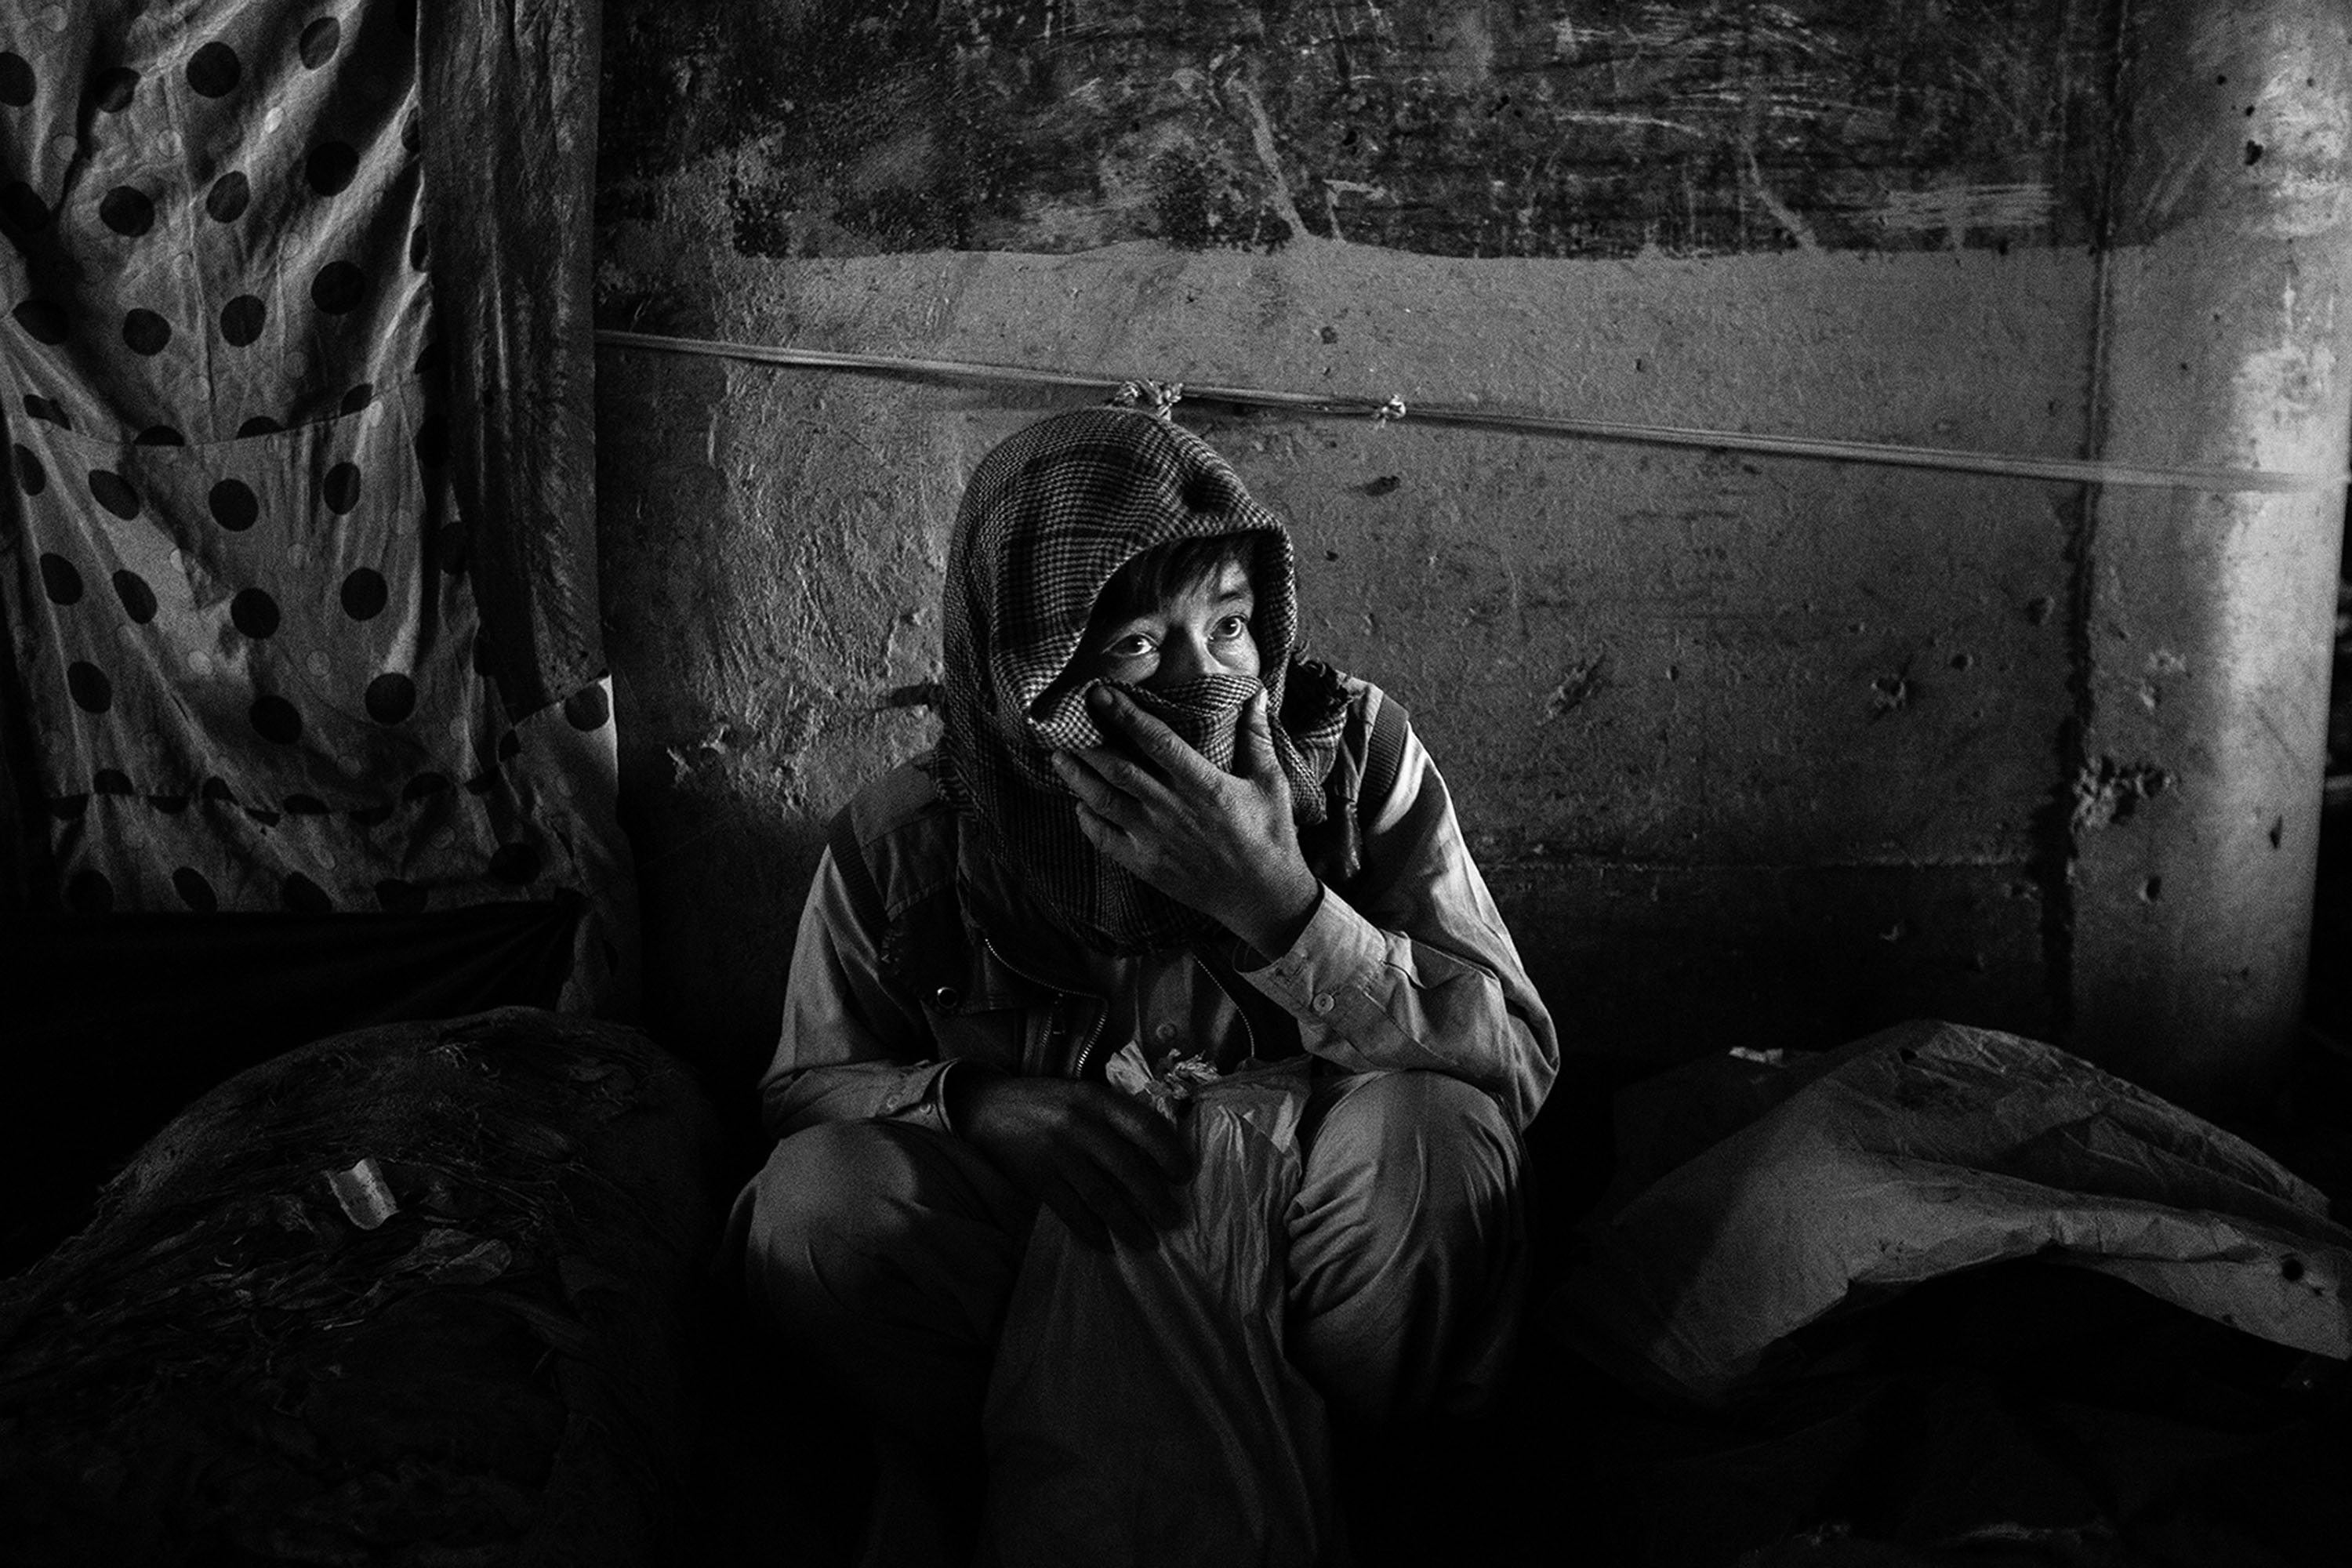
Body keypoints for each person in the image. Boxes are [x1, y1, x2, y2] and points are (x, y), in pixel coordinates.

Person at [739, 399, 1559, 1565]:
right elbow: (800, 1093)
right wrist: (970, 1106)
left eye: (1230, 626)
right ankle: (963, 1467)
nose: (1208, 683)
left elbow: (1515, 1060)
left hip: (1303, 1265)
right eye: (1132, 647)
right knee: (816, 1205)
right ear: (1026, 662)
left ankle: (1368, 1482)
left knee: (1439, 1137)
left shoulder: (1355, 758)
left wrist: (1278, 902)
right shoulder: (914, 838)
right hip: (1030, 1261)